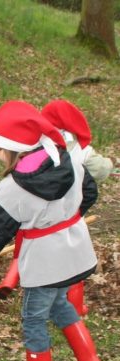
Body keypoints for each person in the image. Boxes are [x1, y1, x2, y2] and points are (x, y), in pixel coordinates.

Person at [0, 100, 102, 361]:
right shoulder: (66, 159)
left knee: (33, 316)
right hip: (75, 249)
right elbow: (90, 192)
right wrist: (66, 218)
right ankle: (89, 360)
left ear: (17, 149)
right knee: (59, 302)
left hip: (45, 262)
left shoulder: (13, 189)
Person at [41, 99, 112, 316]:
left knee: (51, 258)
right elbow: (102, 170)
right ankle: (71, 306)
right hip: (72, 214)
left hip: (47, 214)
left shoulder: (42, 145)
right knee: (71, 261)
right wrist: (106, 163)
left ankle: (57, 303)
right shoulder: (80, 149)